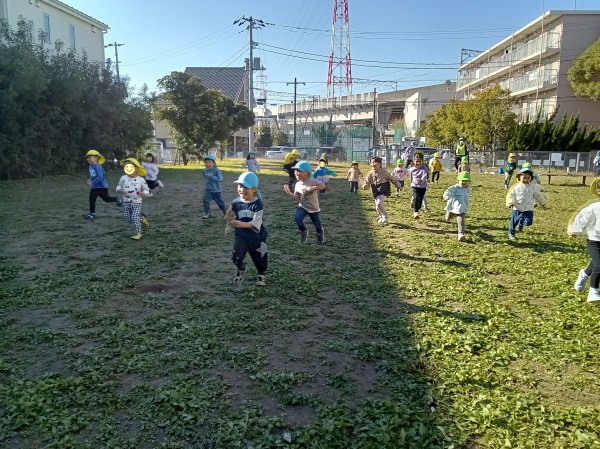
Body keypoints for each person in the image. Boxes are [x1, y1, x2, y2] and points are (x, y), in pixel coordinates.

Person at [225, 172, 268, 287]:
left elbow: (256, 223)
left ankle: (261, 274)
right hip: (241, 236)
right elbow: (229, 214)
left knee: (261, 259)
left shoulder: (258, 204)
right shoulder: (236, 202)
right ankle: (241, 268)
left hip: (257, 237)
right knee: (236, 257)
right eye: (240, 186)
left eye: (246, 187)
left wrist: (241, 224)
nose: (242, 189)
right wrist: (228, 225)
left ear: (254, 189)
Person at [283, 160, 327, 244]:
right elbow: (297, 198)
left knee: (317, 225)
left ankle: (320, 234)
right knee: (298, 219)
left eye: (299, 171)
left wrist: (313, 188)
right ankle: (303, 231)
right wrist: (289, 193)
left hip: (313, 208)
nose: (296, 173)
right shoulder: (297, 184)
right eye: (295, 170)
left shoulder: (312, 181)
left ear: (306, 173)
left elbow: (323, 185)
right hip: (303, 206)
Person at [568, 193, 600, 303]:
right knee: (599, 265)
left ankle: (584, 274)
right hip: (594, 242)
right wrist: (574, 230)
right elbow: (583, 218)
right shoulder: (595, 207)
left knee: (596, 263)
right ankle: (593, 291)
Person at [506, 167, 547, 240]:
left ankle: (521, 223)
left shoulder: (533, 187)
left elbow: (538, 195)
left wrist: (542, 202)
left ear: (531, 178)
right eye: (524, 177)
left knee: (528, 222)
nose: (526, 179)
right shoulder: (516, 187)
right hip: (517, 207)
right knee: (514, 221)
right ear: (519, 177)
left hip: (528, 207)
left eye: (528, 178)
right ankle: (511, 233)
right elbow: (510, 195)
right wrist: (510, 202)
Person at [116, 158, 151, 240]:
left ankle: (138, 233)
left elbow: (147, 190)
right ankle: (142, 219)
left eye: (130, 167)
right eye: (126, 167)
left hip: (137, 202)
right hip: (126, 201)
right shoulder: (123, 178)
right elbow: (118, 186)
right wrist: (119, 190)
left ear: (136, 169)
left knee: (134, 217)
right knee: (128, 218)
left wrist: (144, 193)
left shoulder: (141, 179)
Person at [362, 156, 401, 225]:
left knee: (379, 203)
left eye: (375, 162)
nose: (373, 164)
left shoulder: (384, 172)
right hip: (375, 190)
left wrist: (397, 184)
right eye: (372, 162)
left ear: (380, 164)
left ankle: (385, 216)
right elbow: (366, 182)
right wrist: (365, 186)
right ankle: (380, 216)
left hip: (383, 189)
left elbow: (392, 178)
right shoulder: (370, 173)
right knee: (377, 207)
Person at [85, 149, 121, 220]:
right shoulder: (90, 166)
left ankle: (117, 199)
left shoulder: (98, 166)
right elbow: (93, 175)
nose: (88, 159)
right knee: (91, 200)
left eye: (90, 157)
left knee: (106, 199)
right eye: (87, 157)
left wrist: (92, 183)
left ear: (96, 158)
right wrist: (89, 180)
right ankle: (92, 213)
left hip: (102, 187)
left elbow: (100, 177)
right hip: (94, 188)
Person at [443, 172, 472, 242]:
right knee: (449, 216)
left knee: (461, 221)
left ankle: (460, 234)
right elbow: (448, 192)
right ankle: (447, 218)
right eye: (462, 180)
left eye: (466, 181)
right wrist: (446, 197)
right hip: (453, 207)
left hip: (462, 208)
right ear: (458, 180)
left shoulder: (468, 189)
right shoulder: (455, 188)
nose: (464, 182)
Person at [202, 154, 227, 219]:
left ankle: (225, 212)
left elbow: (220, 179)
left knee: (220, 203)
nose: (207, 164)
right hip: (208, 190)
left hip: (216, 190)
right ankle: (208, 213)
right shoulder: (204, 170)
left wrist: (212, 177)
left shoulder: (217, 170)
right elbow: (205, 176)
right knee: (205, 201)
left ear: (213, 163)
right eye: (206, 162)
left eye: (209, 162)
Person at [407, 151, 429, 219]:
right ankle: (415, 212)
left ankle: (418, 208)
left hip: (423, 186)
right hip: (415, 186)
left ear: (422, 161)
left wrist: (422, 179)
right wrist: (411, 182)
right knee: (416, 197)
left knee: (420, 199)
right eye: (416, 161)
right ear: (414, 161)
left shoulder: (424, 168)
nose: (418, 163)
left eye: (420, 161)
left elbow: (424, 175)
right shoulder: (412, 169)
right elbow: (410, 176)